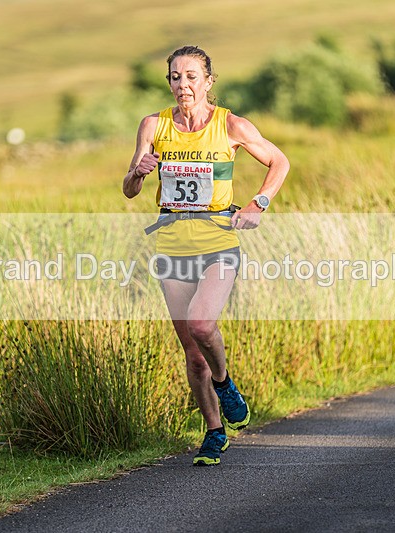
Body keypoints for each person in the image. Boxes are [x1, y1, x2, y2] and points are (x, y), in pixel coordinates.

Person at [123, 45, 289, 466]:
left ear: (209, 81)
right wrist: (137, 174)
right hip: (173, 243)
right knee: (191, 351)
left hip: (218, 241)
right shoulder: (153, 125)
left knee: (201, 323)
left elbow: (279, 162)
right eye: (176, 77)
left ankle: (225, 382)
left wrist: (258, 204)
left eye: (192, 76)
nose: (183, 85)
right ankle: (215, 433)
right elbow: (128, 187)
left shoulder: (230, 124)